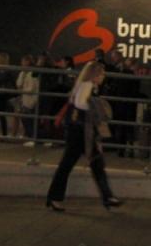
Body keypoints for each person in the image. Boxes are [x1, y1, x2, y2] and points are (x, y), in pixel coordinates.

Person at [45, 61, 122, 211]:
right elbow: (81, 104)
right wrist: (96, 105)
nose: (103, 76)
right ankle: (107, 197)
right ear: (95, 74)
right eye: (101, 73)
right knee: (83, 164)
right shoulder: (87, 85)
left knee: (84, 163)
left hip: (79, 130)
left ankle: (107, 197)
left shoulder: (84, 85)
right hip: (80, 131)